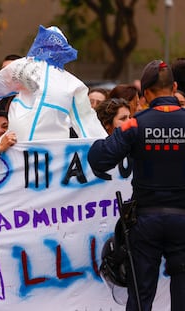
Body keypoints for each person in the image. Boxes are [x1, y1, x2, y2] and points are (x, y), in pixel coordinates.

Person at [88, 60, 185, 311]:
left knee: (140, 298)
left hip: (146, 221)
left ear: (145, 92)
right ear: (174, 87)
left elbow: (99, 159)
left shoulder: (135, 124)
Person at [0, 25, 107, 141]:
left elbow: (86, 119)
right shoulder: (25, 67)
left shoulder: (71, 83)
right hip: (21, 147)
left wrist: (105, 148)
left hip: (47, 152)